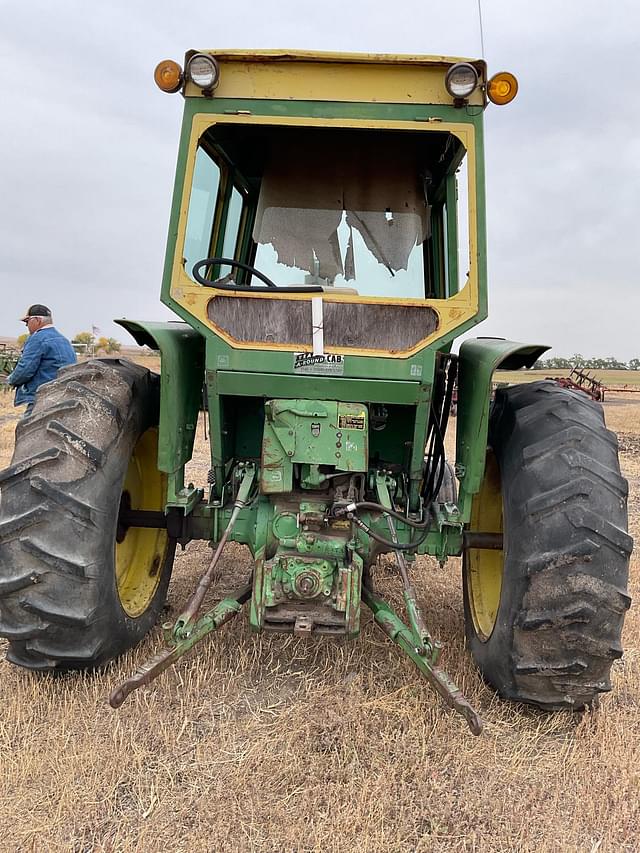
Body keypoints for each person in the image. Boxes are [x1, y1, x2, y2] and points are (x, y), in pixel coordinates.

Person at [5, 305, 77, 417]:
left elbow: (25, 369)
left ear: (37, 320)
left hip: (42, 397)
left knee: (27, 431)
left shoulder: (38, 338)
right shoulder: (64, 340)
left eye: (27, 321)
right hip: (63, 395)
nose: (26, 325)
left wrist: (11, 380)